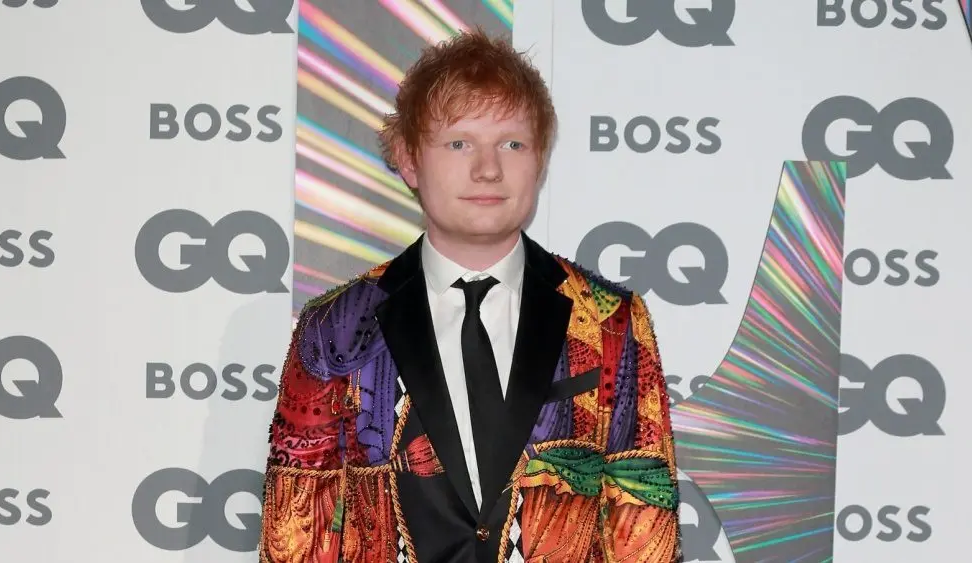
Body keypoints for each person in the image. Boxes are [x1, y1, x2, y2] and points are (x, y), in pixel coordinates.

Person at [258, 28, 682, 563]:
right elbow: (296, 536)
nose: (488, 169)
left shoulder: (611, 320)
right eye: (459, 143)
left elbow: (643, 520)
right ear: (409, 159)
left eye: (512, 143)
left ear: (540, 158)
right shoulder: (334, 330)